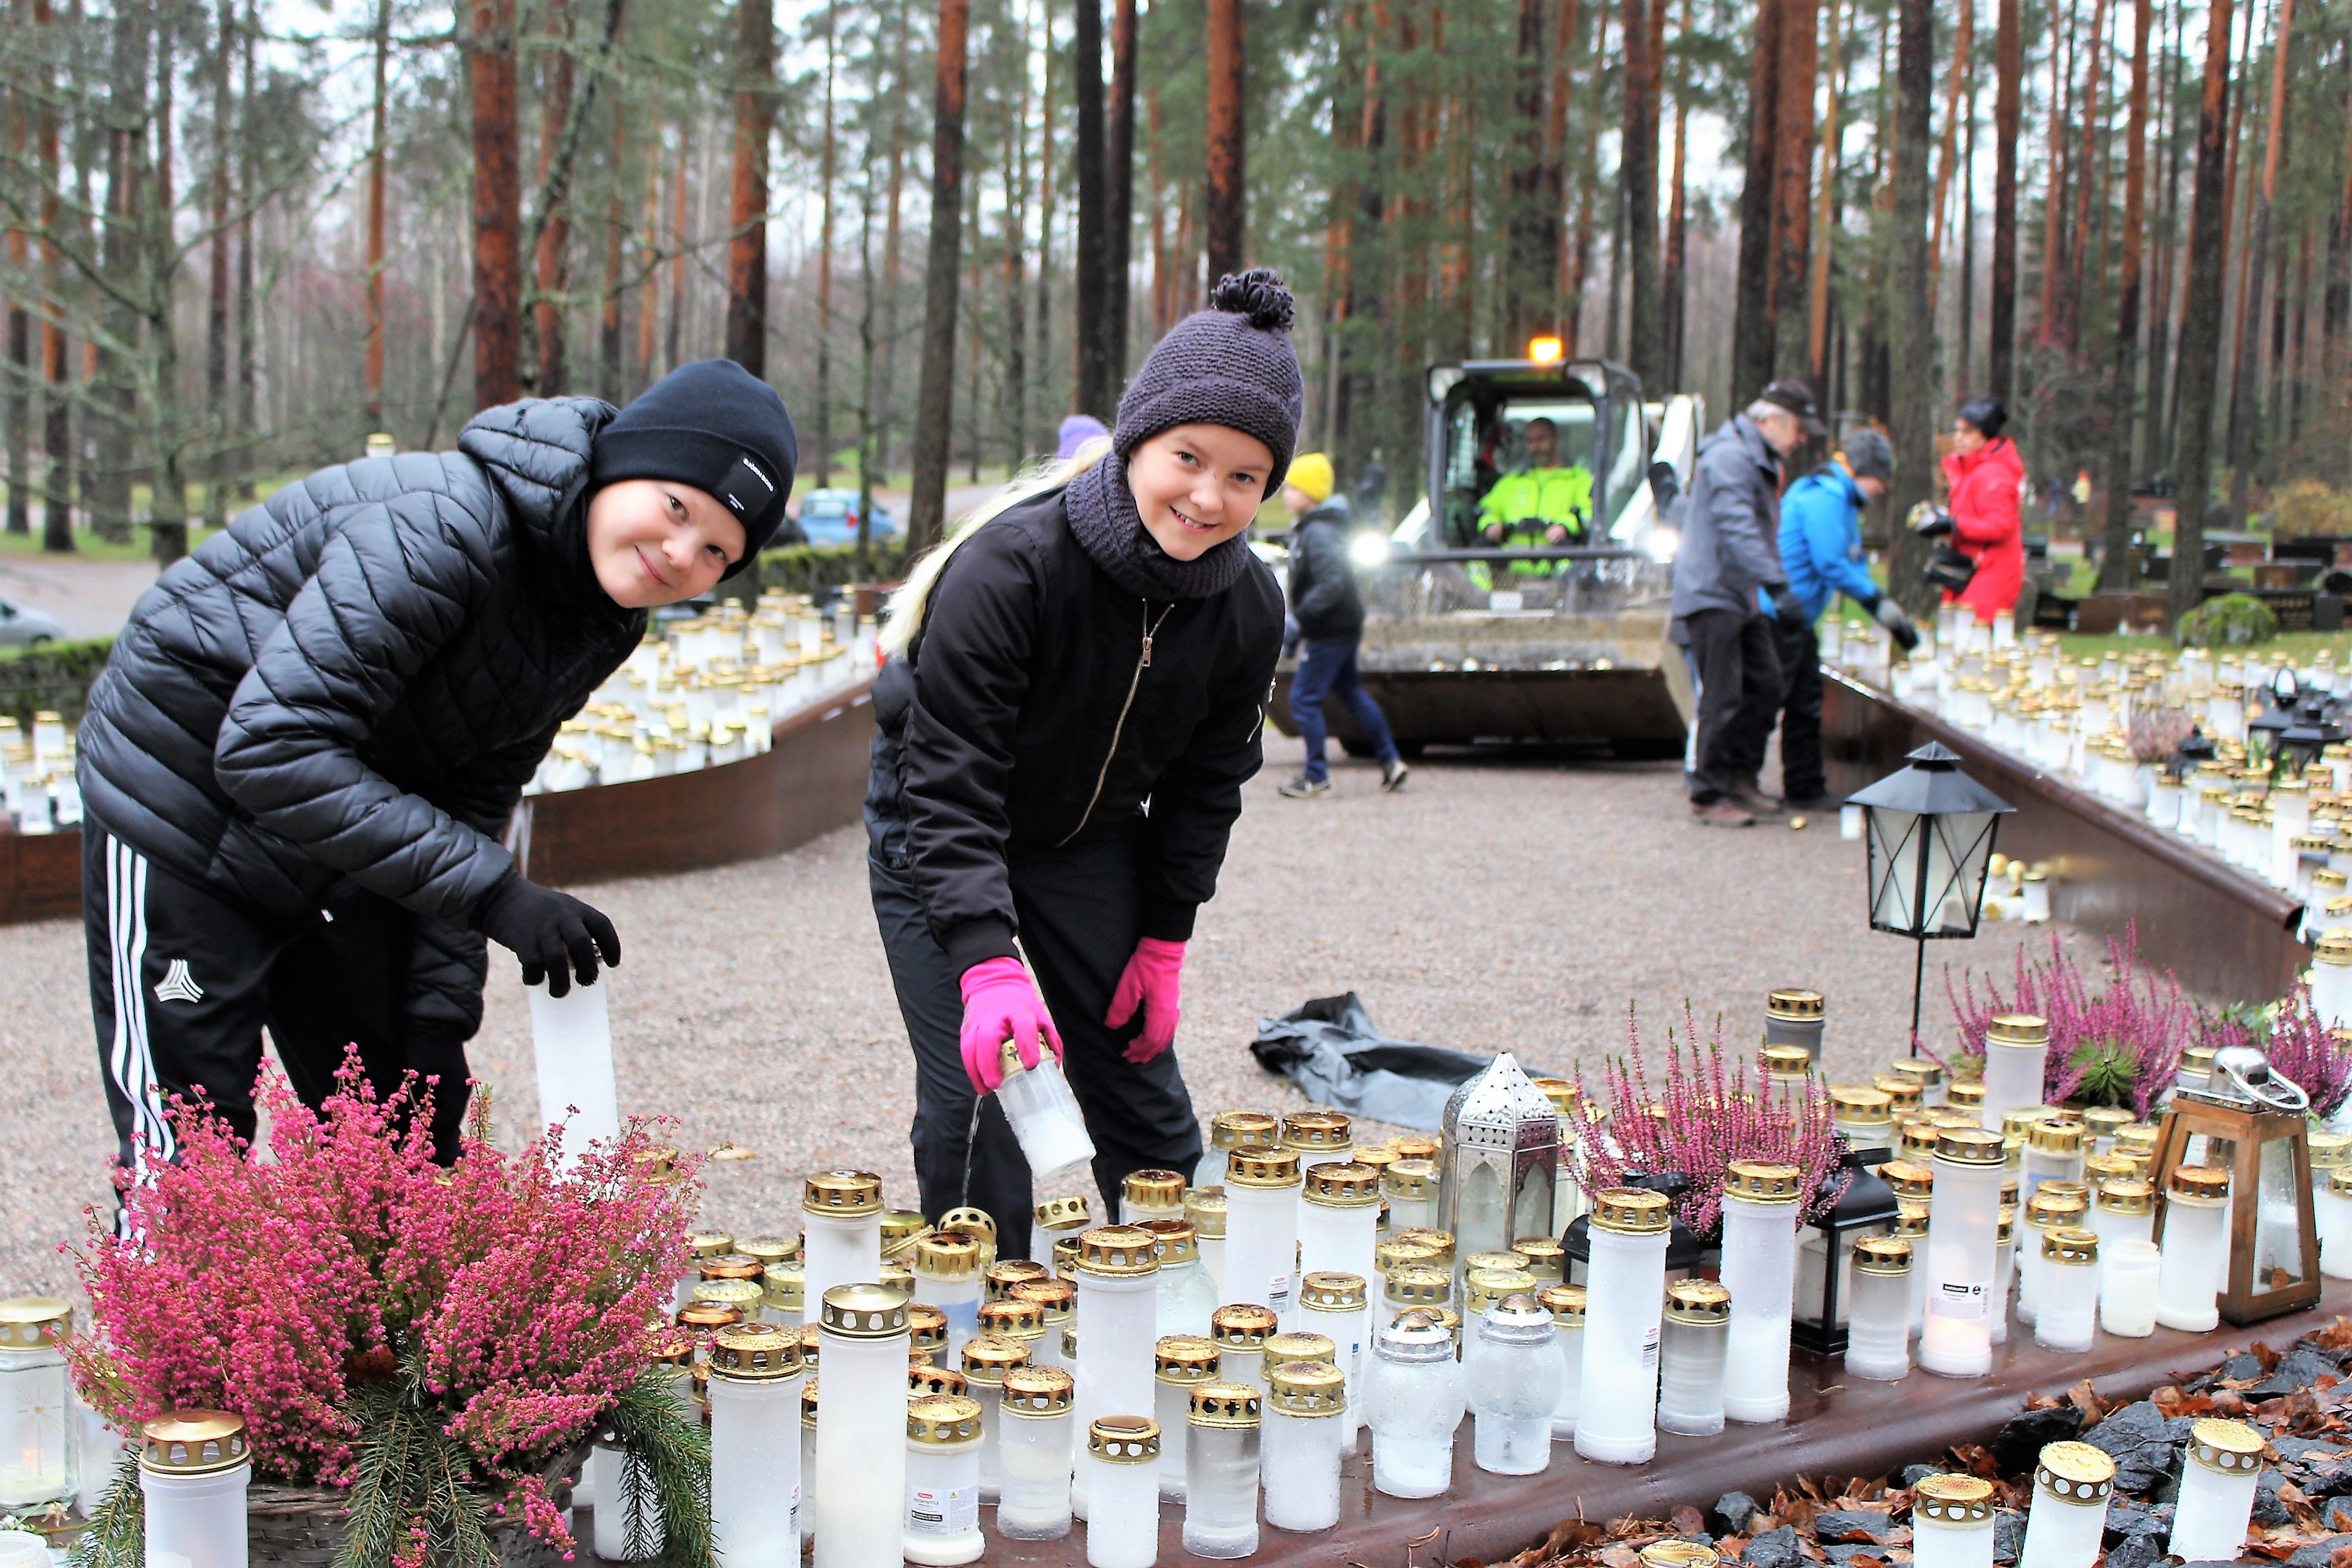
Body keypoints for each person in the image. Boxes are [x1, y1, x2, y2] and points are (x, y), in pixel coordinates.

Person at [77, 359, 796, 1179]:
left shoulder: (602, 617)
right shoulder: (443, 525)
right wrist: (495, 893)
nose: (678, 553)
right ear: (620, 461)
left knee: (406, 1128)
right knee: (191, 1153)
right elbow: (268, 746)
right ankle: (176, 1293)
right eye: (676, 507)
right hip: (185, 806)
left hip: (338, 816)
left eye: (715, 551)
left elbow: (472, 792)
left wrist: (435, 1010)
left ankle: (378, 1310)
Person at [865, 270, 1294, 1259]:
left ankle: (1173, 1304)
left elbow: (1205, 782)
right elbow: (951, 777)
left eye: (1243, 476)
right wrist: (984, 959)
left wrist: (1165, 939)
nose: (1207, 495)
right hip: (936, 823)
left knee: (1139, 1080)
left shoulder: (1246, 608)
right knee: (983, 1087)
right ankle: (985, 1324)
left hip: (1084, 839)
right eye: (1188, 457)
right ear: (1138, 437)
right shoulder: (1013, 567)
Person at [1668, 379, 1821, 826]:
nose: (1801, 439)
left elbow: (1760, 534)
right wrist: (1777, 587)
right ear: (1770, 420)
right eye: (1797, 427)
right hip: (1713, 592)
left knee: (1767, 682)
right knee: (1723, 694)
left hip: (1739, 594)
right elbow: (1738, 530)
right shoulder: (1730, 458)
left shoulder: (1755, 459)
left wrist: (1774, 587)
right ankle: (1708, 792)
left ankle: (1740, 778)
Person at [1768, 428, 1915, 812]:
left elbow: (1852, 558)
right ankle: (1735, 783)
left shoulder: (1835, 497)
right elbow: (1831, 563)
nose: (1881, 488)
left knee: (1805, 703)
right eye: (1880, 479)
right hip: (1781, 616)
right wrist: (1877, 603)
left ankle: (1804, 787)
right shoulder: (1826, 498)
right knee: (1770, 702)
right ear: (1862, 470)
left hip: (1797, 617)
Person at [1275, 451, 1406, 800]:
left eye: (1293, 488)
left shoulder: (1318, 533)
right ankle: (1391, 762)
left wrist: (1299, 620)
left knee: (1304, 697)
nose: (1286, 494)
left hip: (1330, 629)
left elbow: (1331, 584)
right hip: (1342, 625)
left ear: (1310, 493)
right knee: (1351, 692)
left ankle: (1316, 775)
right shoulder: (1320, 528)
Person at [1919, 395, 2025, 622]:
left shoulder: (1992, 474)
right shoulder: (1972, 471)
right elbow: (1972, 518)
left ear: (1986, 435)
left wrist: (1953, 524)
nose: (1959, 438)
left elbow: (2000, 527)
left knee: (1973, 641)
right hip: (1973, 568)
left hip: (1991, 573)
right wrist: (1940, 523)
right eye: (1958, 431)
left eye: (1967, 432)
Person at [1477, 418, 1593, 573]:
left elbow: (1588, 513)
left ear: (1557, 439)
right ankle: (1480, 597)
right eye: (1530, 441)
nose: (1536, 447)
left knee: (1574, 562)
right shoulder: (1511, 482)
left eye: (1542, 439)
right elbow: (1488, 509)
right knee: (1477, 554)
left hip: (1558, 570)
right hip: (1510, 571)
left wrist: (1565, 526)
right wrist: (1491, 524)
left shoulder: (1579, 480)